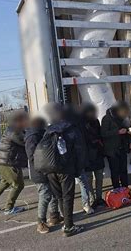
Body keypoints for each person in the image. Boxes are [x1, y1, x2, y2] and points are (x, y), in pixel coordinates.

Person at [42, 102, 84, 237]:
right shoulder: (72, 128)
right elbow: (79, 151)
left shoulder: (49, 129)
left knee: (60, 196)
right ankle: (69, 226)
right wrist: (78, 169)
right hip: (66, 169)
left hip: (50, 168)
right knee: (68, 196)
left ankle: (66, 222)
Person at [25, 116, 63, 234]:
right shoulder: (32, 136)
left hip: (49, 169)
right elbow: (32, 156)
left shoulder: (43, 133)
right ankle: (40, 222)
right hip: (39, 171)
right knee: (45, 195)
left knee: (54, 193)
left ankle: (54, 216)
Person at [0, 111, 28, 215]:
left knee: (4, 182)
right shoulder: (14, 131)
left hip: (2, 162)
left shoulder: (12, 129)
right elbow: (25, 142)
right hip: (9, 163)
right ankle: (9, 208)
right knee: (18, 185)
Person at [101, 101, 131, 189]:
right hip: (112, 150)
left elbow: (127, 131)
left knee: (124, 170)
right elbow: (103, 133)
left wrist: (130, 141)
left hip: (122, 147)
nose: (125, 113)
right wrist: (117, 132)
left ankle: (125, 189)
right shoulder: (107, 118)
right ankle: (117, 190)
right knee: (115, 171)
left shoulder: (124, 118)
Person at [81, 103, 106, 208]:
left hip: (98, 152)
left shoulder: (96, 121)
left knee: (99, 176)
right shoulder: (81, 123)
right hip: (87, 154)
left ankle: (99, 198)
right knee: (89, 178)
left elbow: (100, 134)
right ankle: (92, 198)